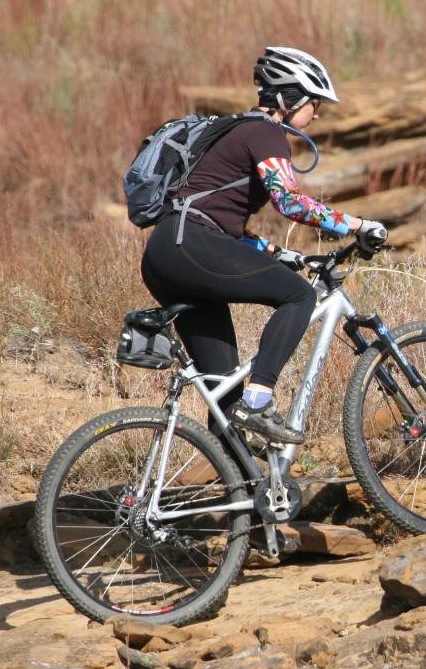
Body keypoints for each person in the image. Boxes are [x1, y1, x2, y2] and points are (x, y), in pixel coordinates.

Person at [140, 46, 386, 445]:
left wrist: (277, 253)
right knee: (298, 295)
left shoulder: (237, 131)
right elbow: (288, 202)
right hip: (192, 244)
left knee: (224, 391)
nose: (317, 113)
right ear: (291, 100)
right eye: (315, 103)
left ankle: (241, 499)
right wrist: (358, 225)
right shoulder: (266, 132)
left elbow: (223, 223)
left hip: (169, 252)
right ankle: (259, 400)